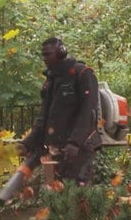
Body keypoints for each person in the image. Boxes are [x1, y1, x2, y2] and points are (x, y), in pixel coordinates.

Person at [17, 37, 101, 185]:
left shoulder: (82, 73)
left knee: (76, 192)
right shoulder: (51, 79)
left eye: (48, 54)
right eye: (43, 55)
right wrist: (28, 143)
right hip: (55, 146)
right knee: (54, 191)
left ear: (61, 52)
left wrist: (75, 142)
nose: (45, 59)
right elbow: (43, 117)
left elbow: (88, 112)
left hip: (79, 148)